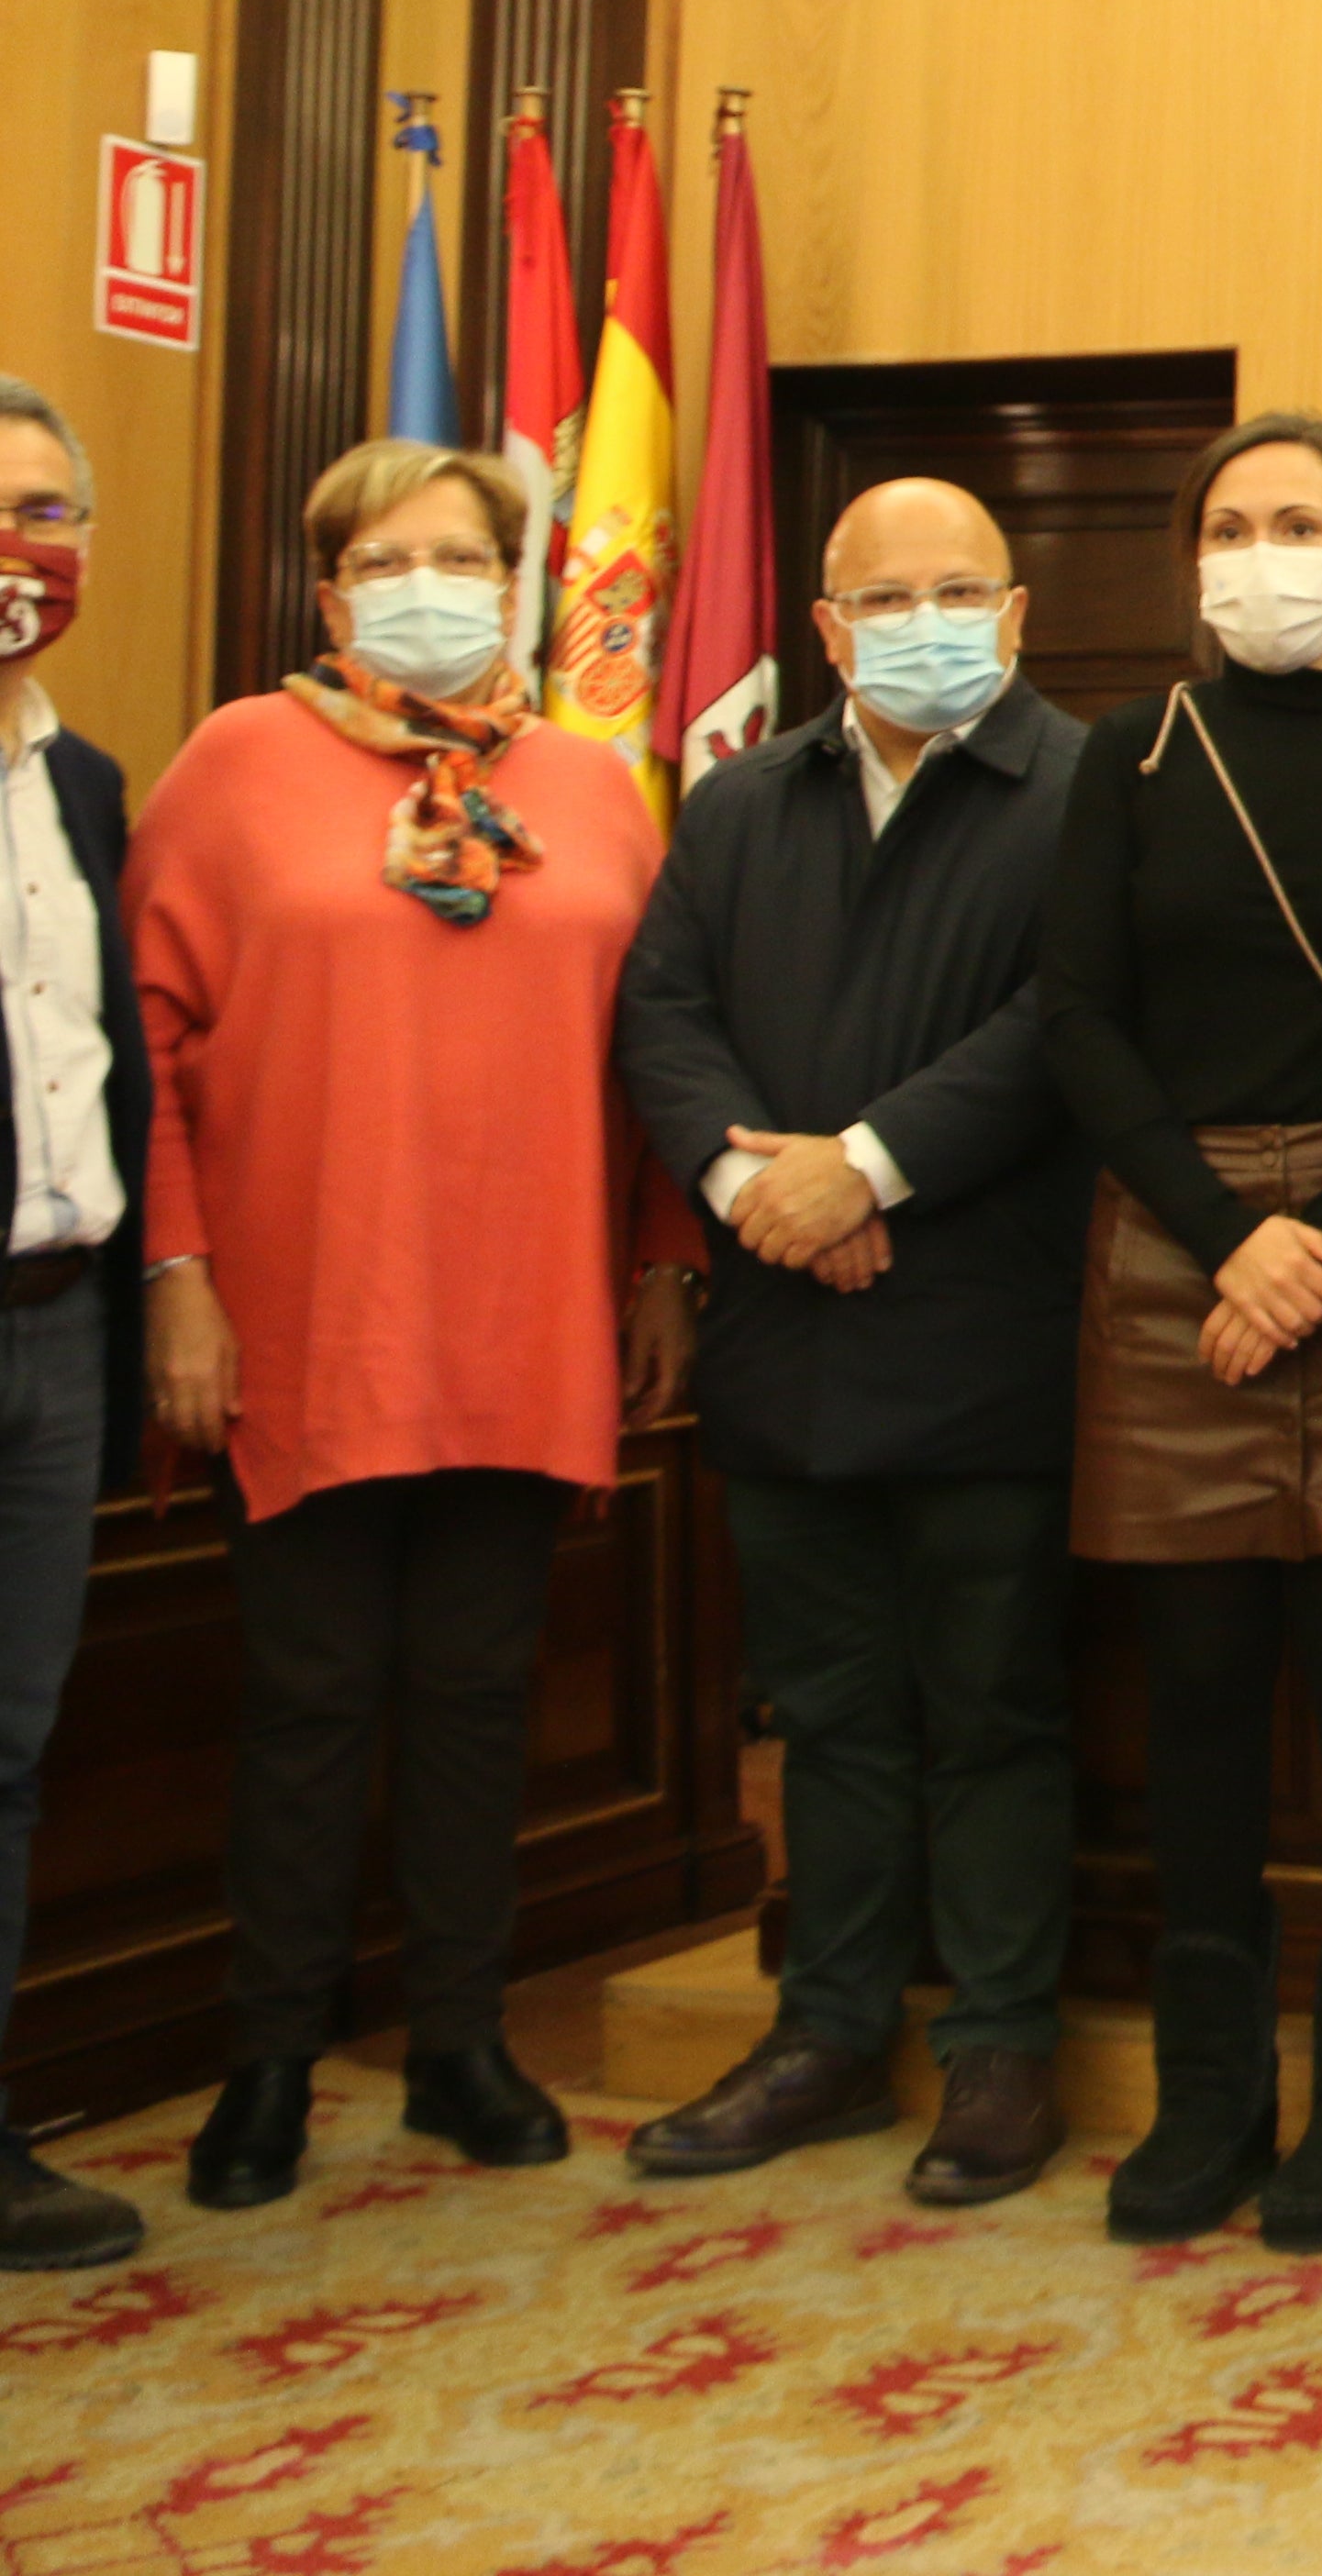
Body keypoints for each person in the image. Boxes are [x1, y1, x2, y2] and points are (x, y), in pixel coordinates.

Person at [130, 436, 694, 2210]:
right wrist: (175, 1273)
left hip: (527, 1314)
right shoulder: (235, 762)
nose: (428, 586)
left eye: (463, 558)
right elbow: (145, 1045)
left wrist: (664, 1263)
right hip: (304, 1316)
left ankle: (460, 2040)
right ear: (329, 592)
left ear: (515, 585)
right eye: (389, 560)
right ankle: (270, 2060)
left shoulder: (596, 785)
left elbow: (663, 1050)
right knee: (307, 1702)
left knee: (476, 1694)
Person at [612, 480, 1090, 2207]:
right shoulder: (741, 799)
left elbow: (1066, 1022)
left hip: (987, 1332)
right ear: (825, 628)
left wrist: (868, 1165)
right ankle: (826, 2033)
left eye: (961, 591)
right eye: (887, 598)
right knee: (827, 1715)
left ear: (1017, 613)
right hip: (784, 1334)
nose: (925, 621)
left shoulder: (1086, 786)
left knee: (993, 1711)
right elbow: (661, 1009)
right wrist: (757, 1182)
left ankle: (1000, 2046)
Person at [1042, 415, 1322, 2255]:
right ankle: (1208, 2096)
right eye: (1228, 527)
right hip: (1181, 1240)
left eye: (1298, 523)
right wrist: (1233, 1239)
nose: (1261, 554)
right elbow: (1080, 1019)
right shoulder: (1127, 757)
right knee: (1203, 1688)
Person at [0, 382, 151, 2271]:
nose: (17, 545)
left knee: (10, 1751)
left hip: (53, 1331)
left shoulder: (90, 786)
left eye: (44, 510)